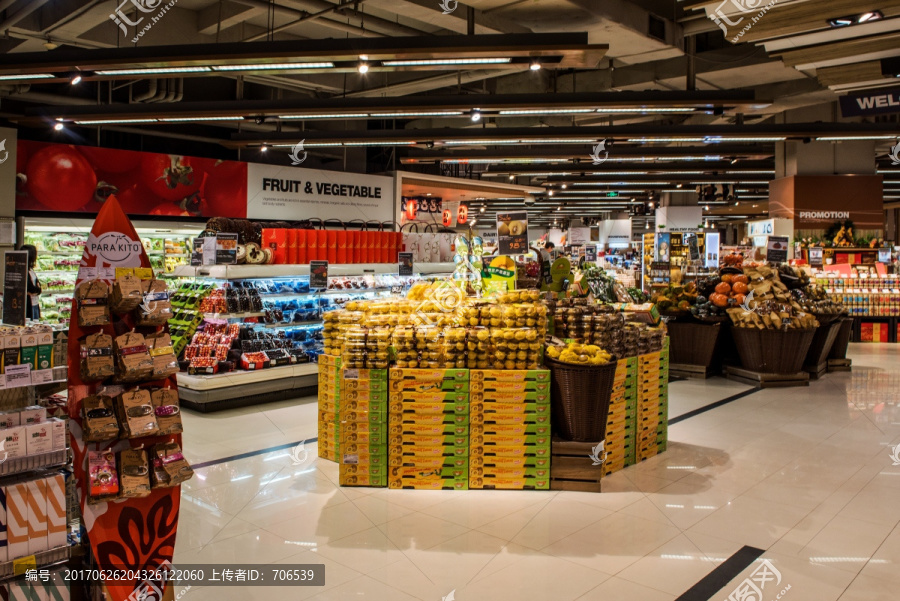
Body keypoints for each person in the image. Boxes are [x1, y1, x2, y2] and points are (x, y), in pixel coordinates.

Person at [21, 244, 42, 321]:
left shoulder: (31, 270)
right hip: (28, 305)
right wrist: (36, 289)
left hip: (35, 303)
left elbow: (38, 287)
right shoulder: (23, 270)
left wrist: (37, 289)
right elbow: (30, 288)